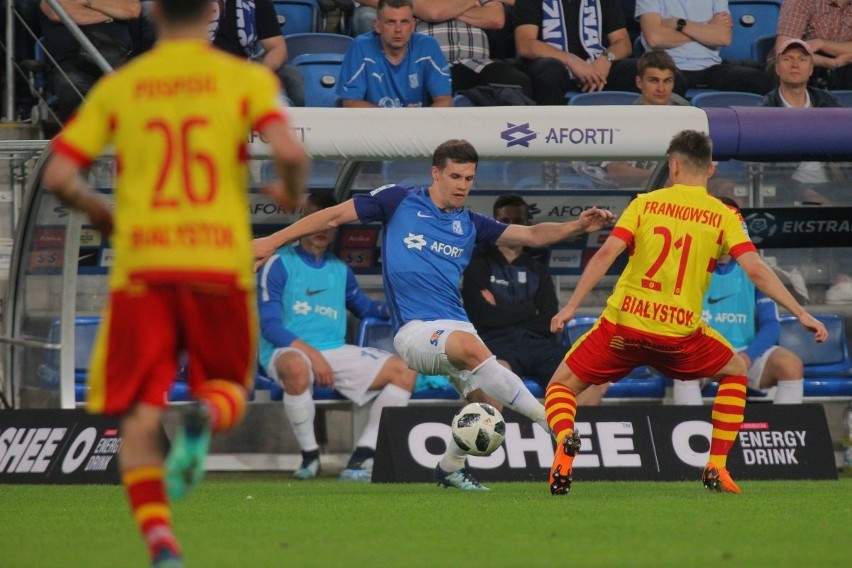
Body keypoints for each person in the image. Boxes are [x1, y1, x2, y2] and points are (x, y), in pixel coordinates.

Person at [40, 0, 308, 565]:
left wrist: (97, 210)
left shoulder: (123, 85)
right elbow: (289, 149)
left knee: (138, 409)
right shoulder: (243, 78)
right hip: (217, 263)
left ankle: (162, 544)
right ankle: (204, 416)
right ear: (212, 11)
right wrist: (286, 191)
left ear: (153, 10)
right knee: (230, 385)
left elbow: (60, 174)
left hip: (145, 268)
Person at [253, 139, 616, 491]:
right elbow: (332, 216)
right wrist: (271, 241)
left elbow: (532, 234)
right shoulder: (399, 200)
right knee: (473, 349)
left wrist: (577, 227)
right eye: (455, 177)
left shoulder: (471, 223)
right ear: (436, 174)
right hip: (415, 332)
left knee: (490, 413)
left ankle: (449, 467)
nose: (462, 186)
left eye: (469, 178)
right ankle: (551, 422)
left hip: (455, 326)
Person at [543, 130, 827, 497]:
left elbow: (605, 254)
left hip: (623, 326)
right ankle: (717, 467)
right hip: (678, 335)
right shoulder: (723, 214)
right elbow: (756, 269)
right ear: (710, 169)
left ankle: (566, 440)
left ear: (673, 166)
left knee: (561, 386)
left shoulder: (644, 203)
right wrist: (801, 313)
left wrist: (570, 306)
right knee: (736, 371)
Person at [257, 192, 417, 482]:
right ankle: (310, 457)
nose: (322, 229)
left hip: (334, 351)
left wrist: (406, 311)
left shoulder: (340, 270)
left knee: (404, 371)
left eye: (327, 222)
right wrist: (313, 355)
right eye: (315, 219)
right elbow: (268, 326)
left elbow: (366, 308)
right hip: (285, 351)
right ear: (303, 220)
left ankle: (364, 455)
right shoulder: (278, 264)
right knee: (295, 365)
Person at [462, 194, 608, 405]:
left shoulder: (538, 269)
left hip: (540, 346)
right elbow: (483, 317)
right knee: (491, 386)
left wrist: (503, 311)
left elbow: (548, 321)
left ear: (527, 224)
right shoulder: (478, 266)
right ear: (496, 225)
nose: (512, 227)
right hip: (497, 345)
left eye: (518, 221)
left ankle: (563, 436)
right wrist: (530, 310)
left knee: (591, 384)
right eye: (505, 222)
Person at [673, 198, 806, 406]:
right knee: (684, 372)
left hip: (745, 352)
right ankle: (690, 432)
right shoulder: (686, 268)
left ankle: (784, 434)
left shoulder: (755, 270)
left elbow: (771, 324)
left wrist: (747, 356)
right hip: (703, 353)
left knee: (790, 365)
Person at [762, 39, 840, 207]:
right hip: (788, 188)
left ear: (811, 69)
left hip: (836, 185)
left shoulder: (827, 102)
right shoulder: (767, 109)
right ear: (777, 68)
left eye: (802, 59)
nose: (795, 65)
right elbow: (768, 171)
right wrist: (804, 193)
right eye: (788, 59)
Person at [38, 0, 144, 126]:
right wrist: (111, 15)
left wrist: (86, 2)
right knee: (71, 85)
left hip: (118, 60)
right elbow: (57, 12)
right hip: (72, 64)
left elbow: (132, 10)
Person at [513, 0, 638, 105]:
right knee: (551, 70)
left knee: (637, 69)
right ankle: (551, 128)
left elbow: (623, 43)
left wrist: (607, 59)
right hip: (554, 65)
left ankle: (632, 129)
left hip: (597, 67)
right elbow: (526, 45)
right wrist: (571, 61)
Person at [636, 0, 772, 95]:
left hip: (711, 66)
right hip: (669, 66)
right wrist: (707, 28)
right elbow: (655, 38)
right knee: (665, 85)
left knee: (759, 79)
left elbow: (723, 37)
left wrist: (679, 24)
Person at [338, 0, 453, 108]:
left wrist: (417, 121)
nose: (398, 29)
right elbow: (350, 103)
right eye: (391, 22)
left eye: (404, 22)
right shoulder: (361, 46)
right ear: (377, 25)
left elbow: (444, 100)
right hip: (373, 125)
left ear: (413, 25)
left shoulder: (428, 46)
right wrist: (394, 120)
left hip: (417, 126)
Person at [414, 0, 534, 99]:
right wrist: (472, 3)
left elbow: (496, 19)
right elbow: (433, 13)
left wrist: (447, 10)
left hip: (477, 63)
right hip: (436, 64)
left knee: (517, 82)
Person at [602, 50, 686, 188]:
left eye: (667, 81)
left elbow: (706, 168)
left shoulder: (688, 117)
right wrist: (659, 175)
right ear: (639, 82)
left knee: (727, 188)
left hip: (681, 191)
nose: (661, 88)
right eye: (654, 80)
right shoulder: (623, 120)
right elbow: (615, 171)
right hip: (636, 191)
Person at [209, 0, 305, 106]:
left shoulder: (255, 2)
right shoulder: (194, 5)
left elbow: (277, 48)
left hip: (244, 67)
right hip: (203, 67)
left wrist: (260, 75)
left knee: (290, 76)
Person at [774, 0, 852, 91]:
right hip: (806, 64)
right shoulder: (801, 2)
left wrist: (822, 44)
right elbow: (784, 52)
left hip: (843, 68)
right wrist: (831, 63)